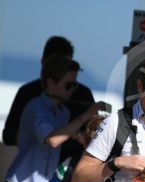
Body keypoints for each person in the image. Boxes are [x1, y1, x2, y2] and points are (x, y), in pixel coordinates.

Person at [3, 56, 104, 182]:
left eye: (75, 85)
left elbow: (68, 136)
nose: (73, 90)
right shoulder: (35, 108)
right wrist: (86, 115)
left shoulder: (63, 112)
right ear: (50, 83)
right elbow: (52, 140)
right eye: (68, 85)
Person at [2, 35, 95, 163]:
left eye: (65, 66)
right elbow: (8, 135)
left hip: (68, 172)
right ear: (43, 63)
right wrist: (35, 135)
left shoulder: (82, 95)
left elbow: (93, 135)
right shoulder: (29, 96)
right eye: (55, 66)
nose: (71, 89)